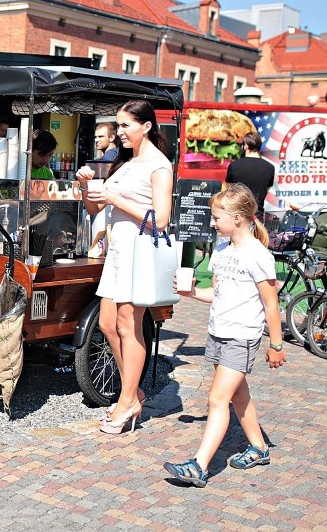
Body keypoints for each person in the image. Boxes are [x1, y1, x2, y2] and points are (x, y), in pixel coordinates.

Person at [163, 183, 285, 487]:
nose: (213, 223)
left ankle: (199, 466)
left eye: (217, 217)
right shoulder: (221, 250)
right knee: (238, 394)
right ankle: (259, 447)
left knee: (217, 398)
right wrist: (191, 292)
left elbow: (271, 303)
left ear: (238, 218)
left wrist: (277, 345)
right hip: (218, 332)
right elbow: (215, 293)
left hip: (241, 336)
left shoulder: (258, 255)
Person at [75, 99, 174, 434]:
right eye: (117, 126)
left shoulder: (159, 165)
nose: (119, 132)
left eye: (125, 125)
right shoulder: (125, 161)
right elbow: (94, 209)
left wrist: (117, 200)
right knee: (106, 323)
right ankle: (133, 393)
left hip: (139, 251)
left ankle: (128, 399)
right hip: (117, 250)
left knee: (129, 326)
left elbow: (161, 220)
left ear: (146, 126)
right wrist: (85, 186)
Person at [225, 131, 274, 220]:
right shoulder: (270, 167)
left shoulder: (234, 165)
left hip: (237, 216)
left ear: (246, 145)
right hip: (257, 217)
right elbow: (266, 190)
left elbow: (229, 190)